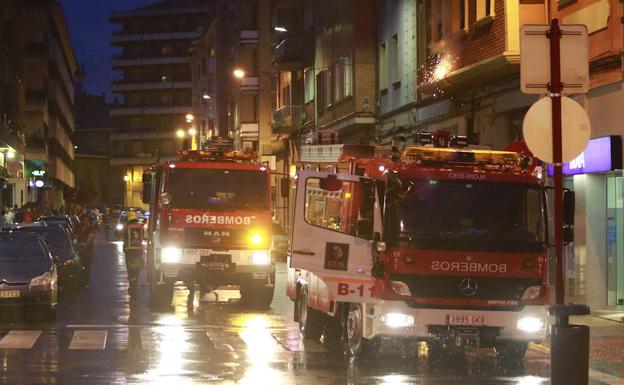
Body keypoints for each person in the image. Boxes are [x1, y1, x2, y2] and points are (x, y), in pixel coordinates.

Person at [122, 211, 144, 294]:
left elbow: (118, 233)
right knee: (137, 269)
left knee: (130, 269)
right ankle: (135, 284)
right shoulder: (140, 226)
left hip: (129, 251)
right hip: (138, 251)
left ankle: (132, 286)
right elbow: (144, 220)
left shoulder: (126, 227)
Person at [77, 214, 96, 281]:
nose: (86, 222)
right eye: (84, 220)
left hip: (87, 251)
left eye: (87, 220)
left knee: (86, 266)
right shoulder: (79, 228)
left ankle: (85, 281)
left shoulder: (91, 228)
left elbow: (89, 240)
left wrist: (83, 248)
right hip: (78, 250)